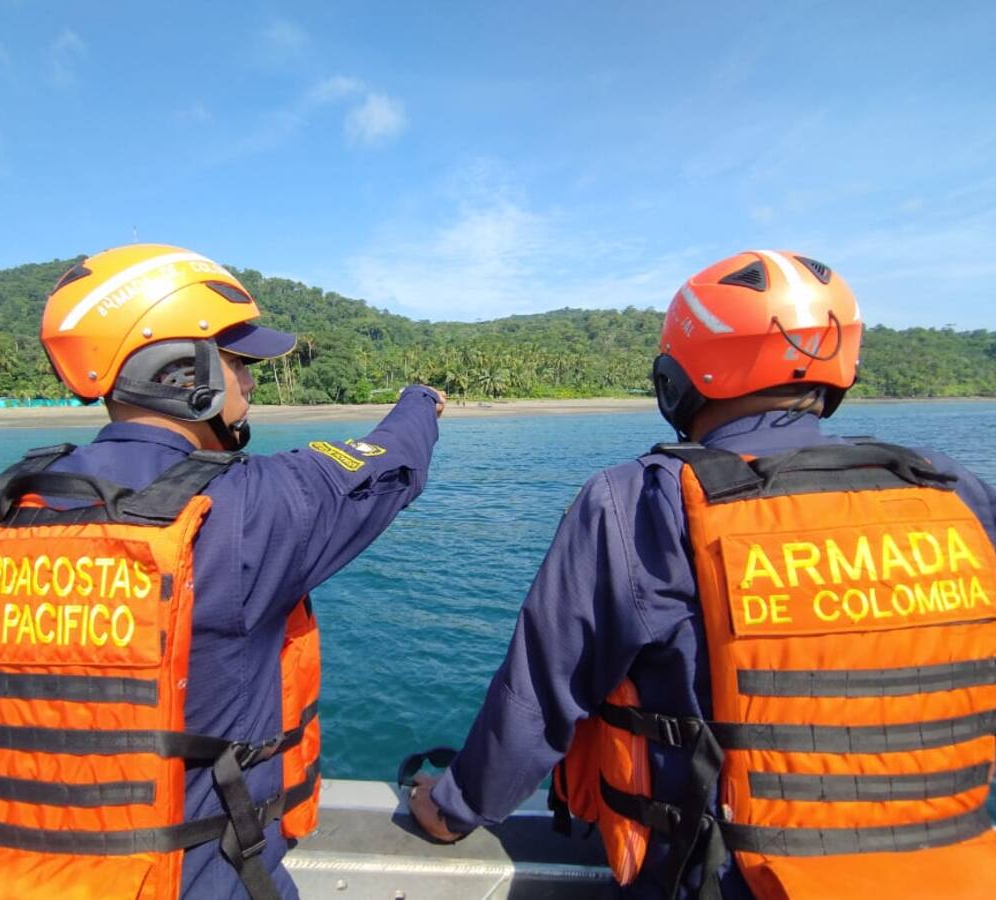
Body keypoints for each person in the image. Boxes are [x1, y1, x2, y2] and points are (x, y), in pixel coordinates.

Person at [408, 250, 996, 899]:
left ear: (680, 375)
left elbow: (539, 697)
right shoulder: (950, 490)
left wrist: (450, 808)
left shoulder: (638, 502)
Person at [0, 243, 445, 900]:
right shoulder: (244, 510)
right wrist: (419, 402)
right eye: (239, 361)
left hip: (6, 875)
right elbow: (385, 466)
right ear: (183, 371)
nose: (250, 381)